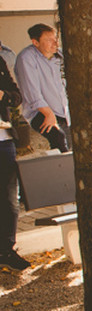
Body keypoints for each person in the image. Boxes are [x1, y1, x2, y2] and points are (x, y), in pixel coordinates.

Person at [15, 24, 71, 152]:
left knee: (71, 148)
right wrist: (48, 114)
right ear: (35, 42)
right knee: (58, 138)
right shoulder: (26, 58)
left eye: (55, 38)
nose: (55, 42)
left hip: (64, 111)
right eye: (49, 40)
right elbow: (32, 92)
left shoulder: (61, 55)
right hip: (40, 111)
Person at [0, 55, 28, 272]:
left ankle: (7, 250)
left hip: (4, 138)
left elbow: (17, 96)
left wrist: (3, 95)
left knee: (10, 200)